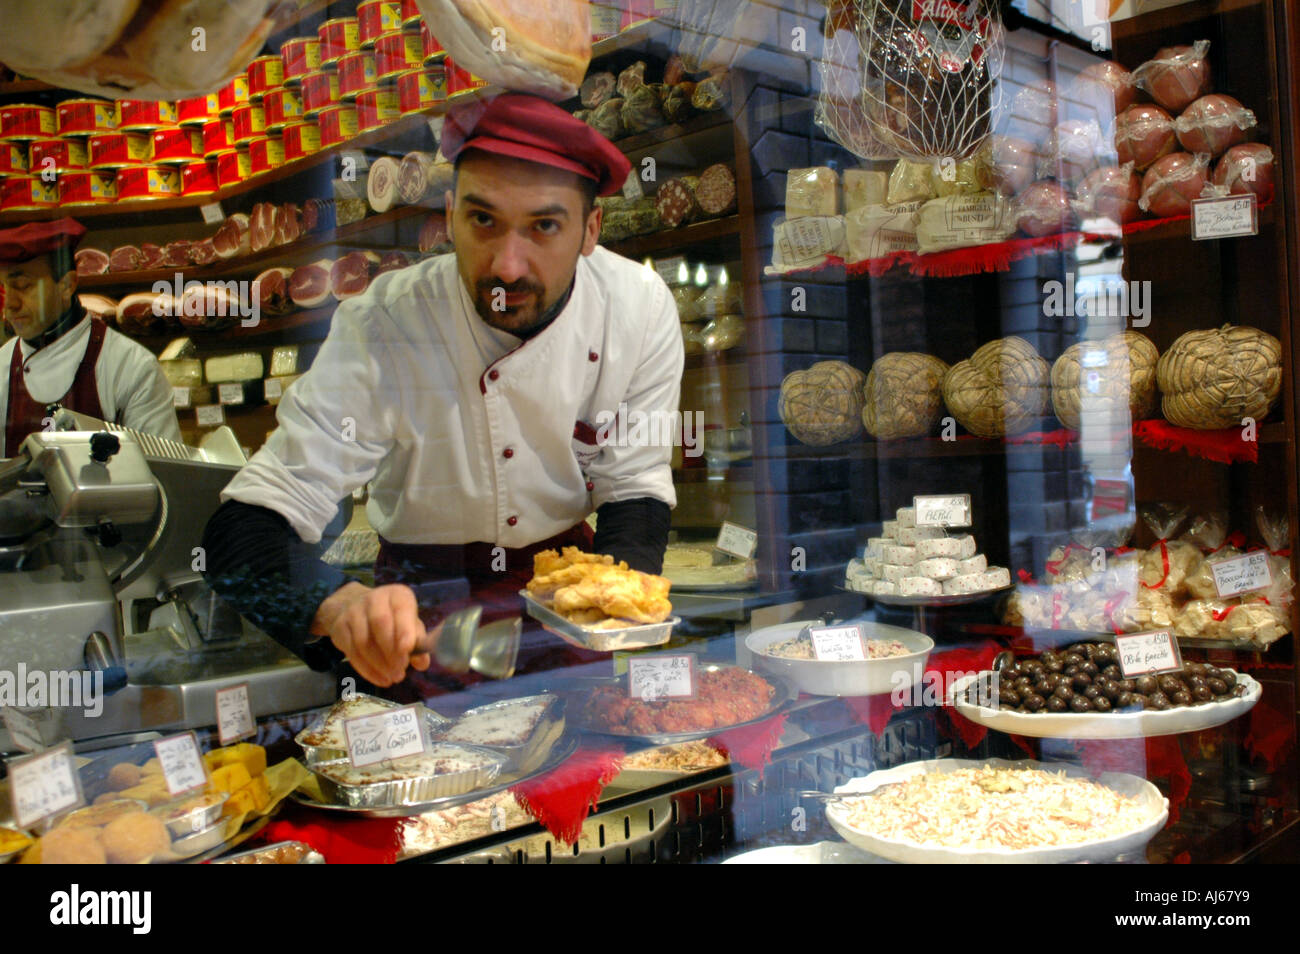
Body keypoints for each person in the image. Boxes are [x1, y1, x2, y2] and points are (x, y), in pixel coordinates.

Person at [202, 93, 683, 693]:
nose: (508, 267)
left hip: (566, 610)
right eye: (483, 220)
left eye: (545, 226)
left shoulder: (636, 306)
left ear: (591, 229)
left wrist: (615, 609)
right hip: (419, 620)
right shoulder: (384, 325)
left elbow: (634, 487)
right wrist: (335, 605)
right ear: (450, 213)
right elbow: (241, 534)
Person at [0, 217, 181, 455]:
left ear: (66, 285)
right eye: (3, 288)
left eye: (23, 286)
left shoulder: (131, 366)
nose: (9, 305)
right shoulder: (2, 363)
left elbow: (163, 471)